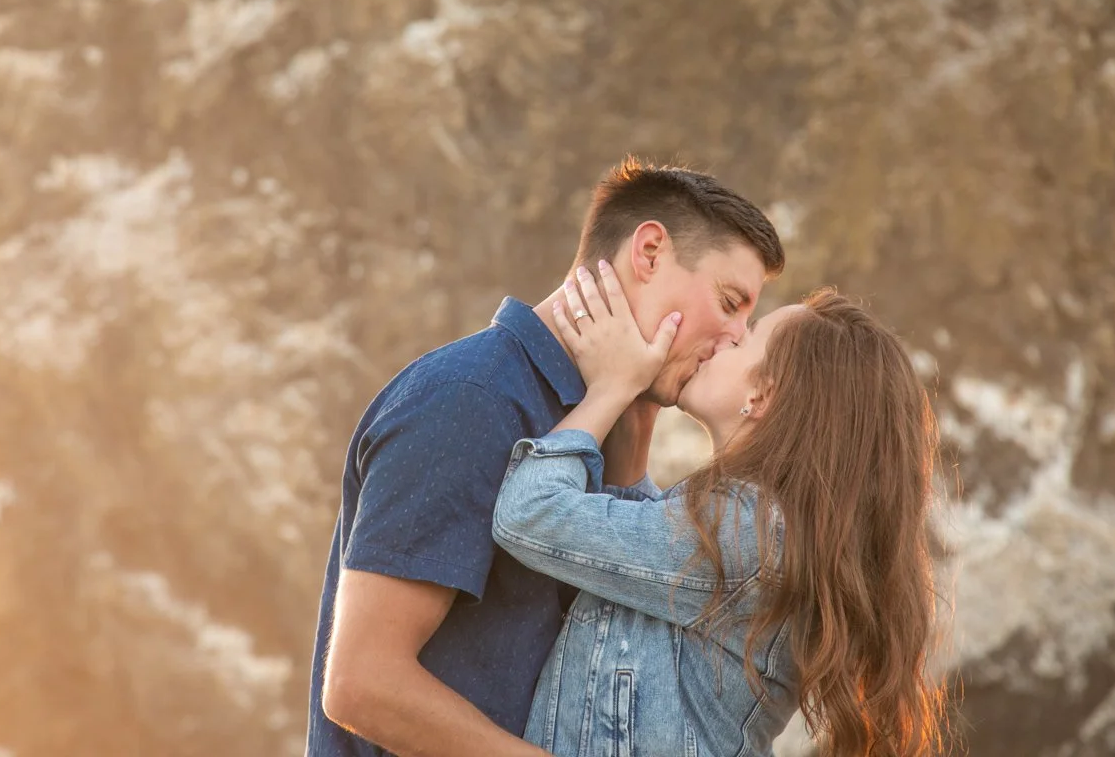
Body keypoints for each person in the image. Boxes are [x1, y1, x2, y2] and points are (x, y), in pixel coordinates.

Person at [306, 158, 785, 756]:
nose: (738, 337)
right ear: (651, 252)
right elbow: (362, 685)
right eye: (729, 300)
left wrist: (634, 405)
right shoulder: (472, 400)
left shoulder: (602, 421)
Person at [493, 262, 951, 756]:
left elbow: (530, 513)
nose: (725, 337)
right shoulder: (754, 526)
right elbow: (631, 545)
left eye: (744, 339)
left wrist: (611, 389)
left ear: (761, 394)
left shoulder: (748, 530)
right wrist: (640, 399)